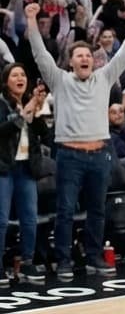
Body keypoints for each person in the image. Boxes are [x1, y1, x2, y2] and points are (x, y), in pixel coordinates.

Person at [26, 0, 125, 280]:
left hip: (99, 154)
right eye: (79, 56)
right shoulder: (59, 80)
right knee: (66, 210)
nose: (84, 59)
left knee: (97, 210)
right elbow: (39, 53)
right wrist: (32, 21)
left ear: (93, 60)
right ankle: (63, 260)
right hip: (69, 155)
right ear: (71, 61)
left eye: (87, 55)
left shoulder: (105, 77)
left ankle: (95, 256)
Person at [0, 63, 49, 283]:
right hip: (4, 168)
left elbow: (44, 134)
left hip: (26, 168)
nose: (20, 78)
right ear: (6, 81)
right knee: (1, 220)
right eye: (14, 75)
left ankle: (27, 263)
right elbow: (3, 130)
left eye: (23, 74)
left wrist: (36, 111)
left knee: (29, 218)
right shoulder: (2, 104)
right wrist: (25, 111)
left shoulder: (30, 103)